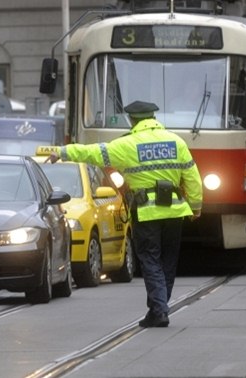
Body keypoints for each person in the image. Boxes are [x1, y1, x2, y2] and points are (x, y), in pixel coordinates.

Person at [48, 100, 203, 328]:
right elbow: (193, 178)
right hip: (174, 212)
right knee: (167, 261)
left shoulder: (127, 144)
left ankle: (159, 310)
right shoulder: (176, 142)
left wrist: (61, 151)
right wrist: (196, 207)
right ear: (153, 117)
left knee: (150, 259)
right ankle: (158, 307)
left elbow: (92, 153)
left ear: (132, 119)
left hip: (146, 213)